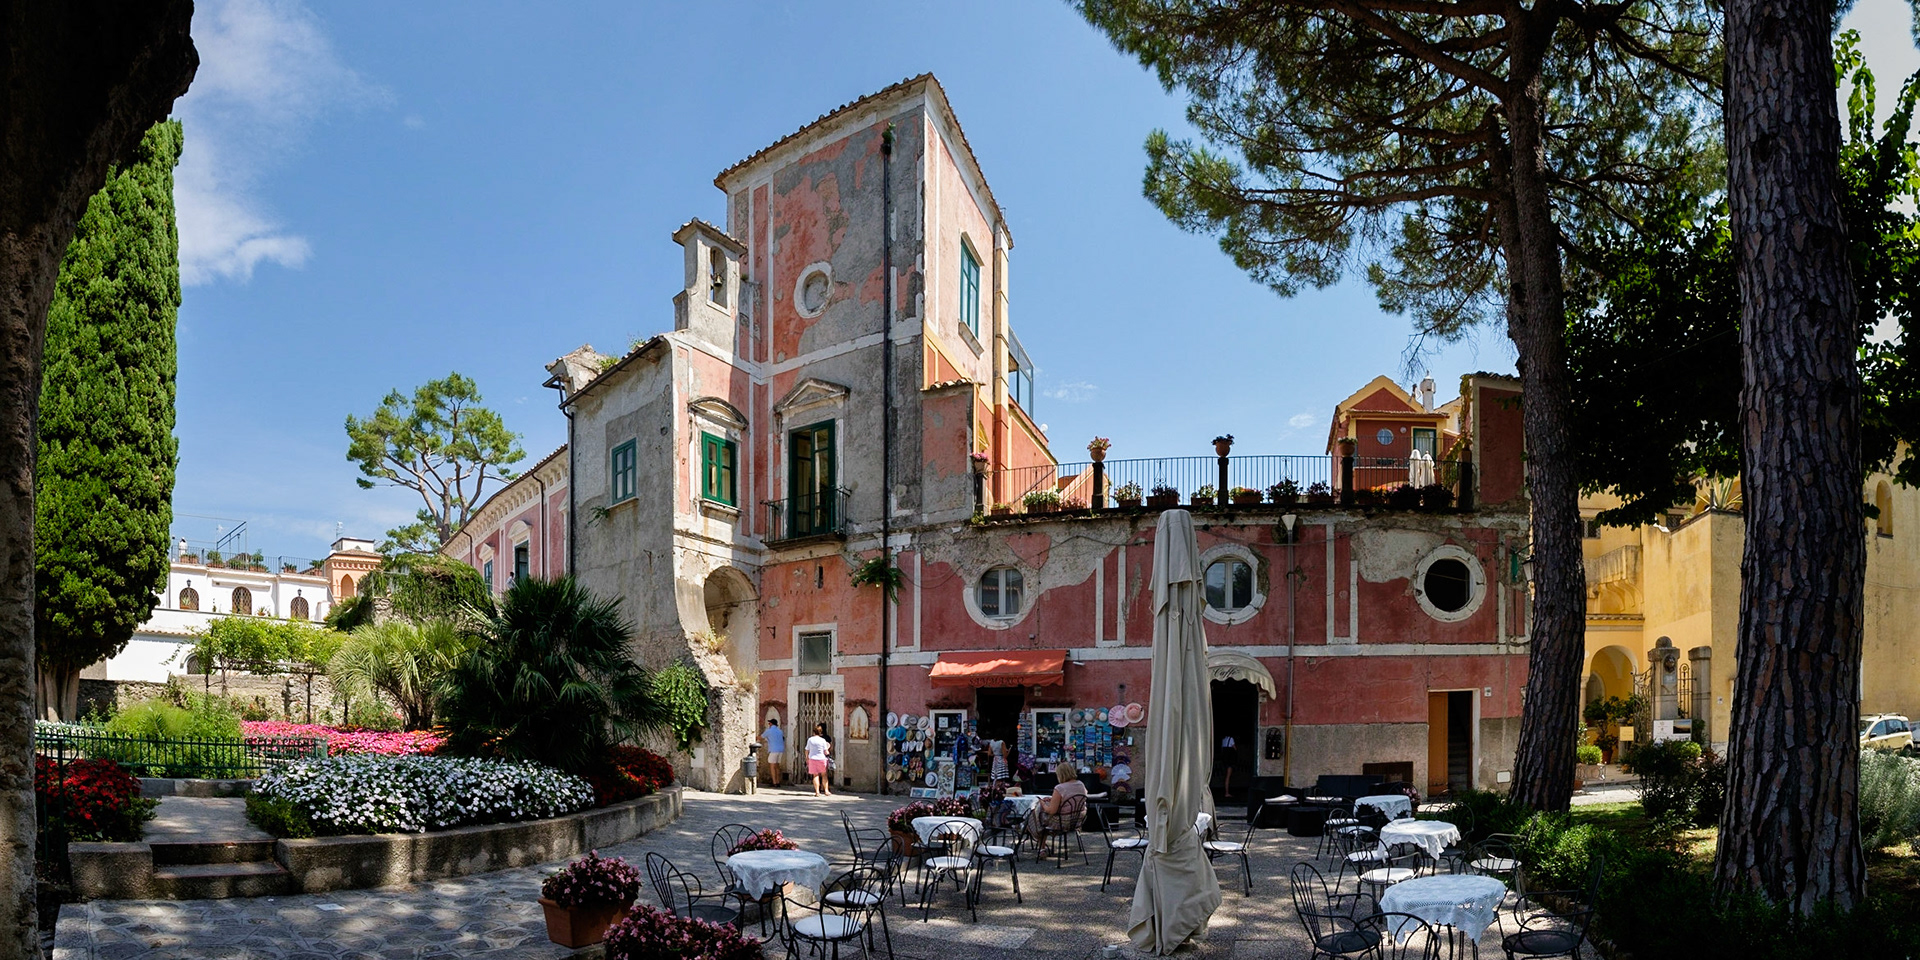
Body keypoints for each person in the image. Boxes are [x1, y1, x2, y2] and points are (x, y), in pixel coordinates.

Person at [1031, 761, 1089, 842]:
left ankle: (1040, 843)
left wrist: (1042, 803)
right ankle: (1040, 845)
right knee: (1040, 813)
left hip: (1062, 822)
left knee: (1037, 812)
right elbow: (1073, 799)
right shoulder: (1081, 784)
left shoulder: (1060, 788)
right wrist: (1053, 799)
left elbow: (1051, 811)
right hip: (1077, 820)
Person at [805, 722, 833, 797]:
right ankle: (826, 791)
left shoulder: (810, 740)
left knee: (815, 775)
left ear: (814, 732)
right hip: (822, 758)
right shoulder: (823, 740)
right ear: (820, 732)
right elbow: (826, 751)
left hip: (813, 759)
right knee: (824, 775)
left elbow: (807, 749)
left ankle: (817, 792)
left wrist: (807, 757)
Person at [759, 718, 785, 787]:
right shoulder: (780, 731)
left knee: (772, 766)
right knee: (777, 766)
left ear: (771, 724)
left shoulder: (769, 731)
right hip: (780, 750)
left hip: (773, 750)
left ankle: (774, 782)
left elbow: (760, 737)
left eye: (769, 723)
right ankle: (778, 781)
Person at [1217, 735, 1239, 800]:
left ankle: (1226, 791)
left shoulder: (1223, 740)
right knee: (1228, 776)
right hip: (1230, 760)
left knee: (1226, 776)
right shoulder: (1231, 739)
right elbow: (1235, 748)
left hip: (1225, 760)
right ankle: (1227, 792)